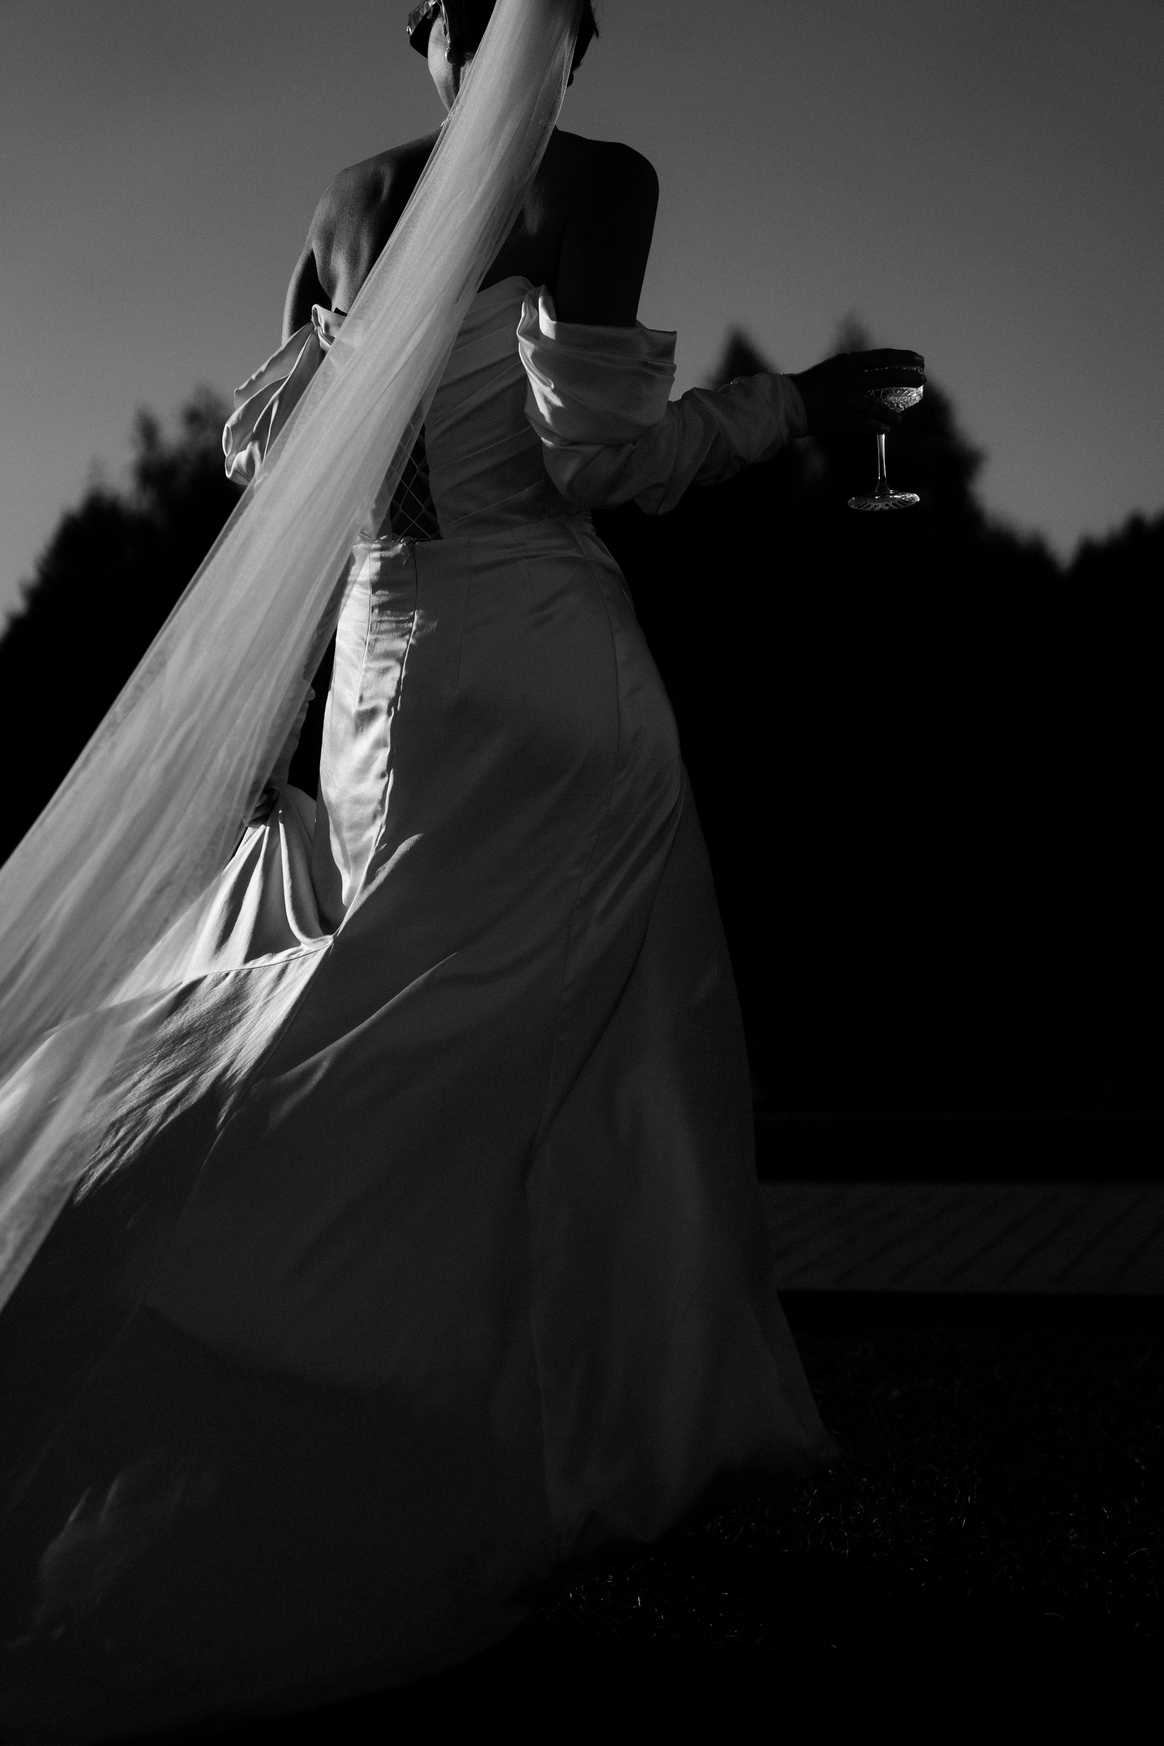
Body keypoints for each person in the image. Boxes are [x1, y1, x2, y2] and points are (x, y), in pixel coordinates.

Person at [0, 2, 923, 1734]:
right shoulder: (598, 182)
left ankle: (409, 1369)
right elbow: (596, 458)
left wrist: (278, 725)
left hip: (377, 680)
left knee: (412, 1011)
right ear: (567, 34)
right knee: (582, 1048)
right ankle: (547, 1419)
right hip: (542, 674)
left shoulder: (344, 203)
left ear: (420, 28)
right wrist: (793, 406)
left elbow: (281, 481)